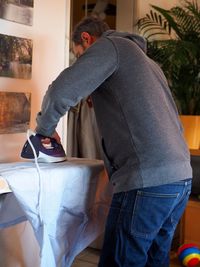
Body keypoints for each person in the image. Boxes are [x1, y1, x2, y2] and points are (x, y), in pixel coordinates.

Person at [35, 16, 192, 267]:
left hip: (148, 182)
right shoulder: (148, 63)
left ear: (86, 39)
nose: (81, 62)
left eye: (79, 55)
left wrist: (44, 130)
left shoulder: (109, 47)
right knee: (155, 260)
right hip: (179, 179)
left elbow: (61, 90)